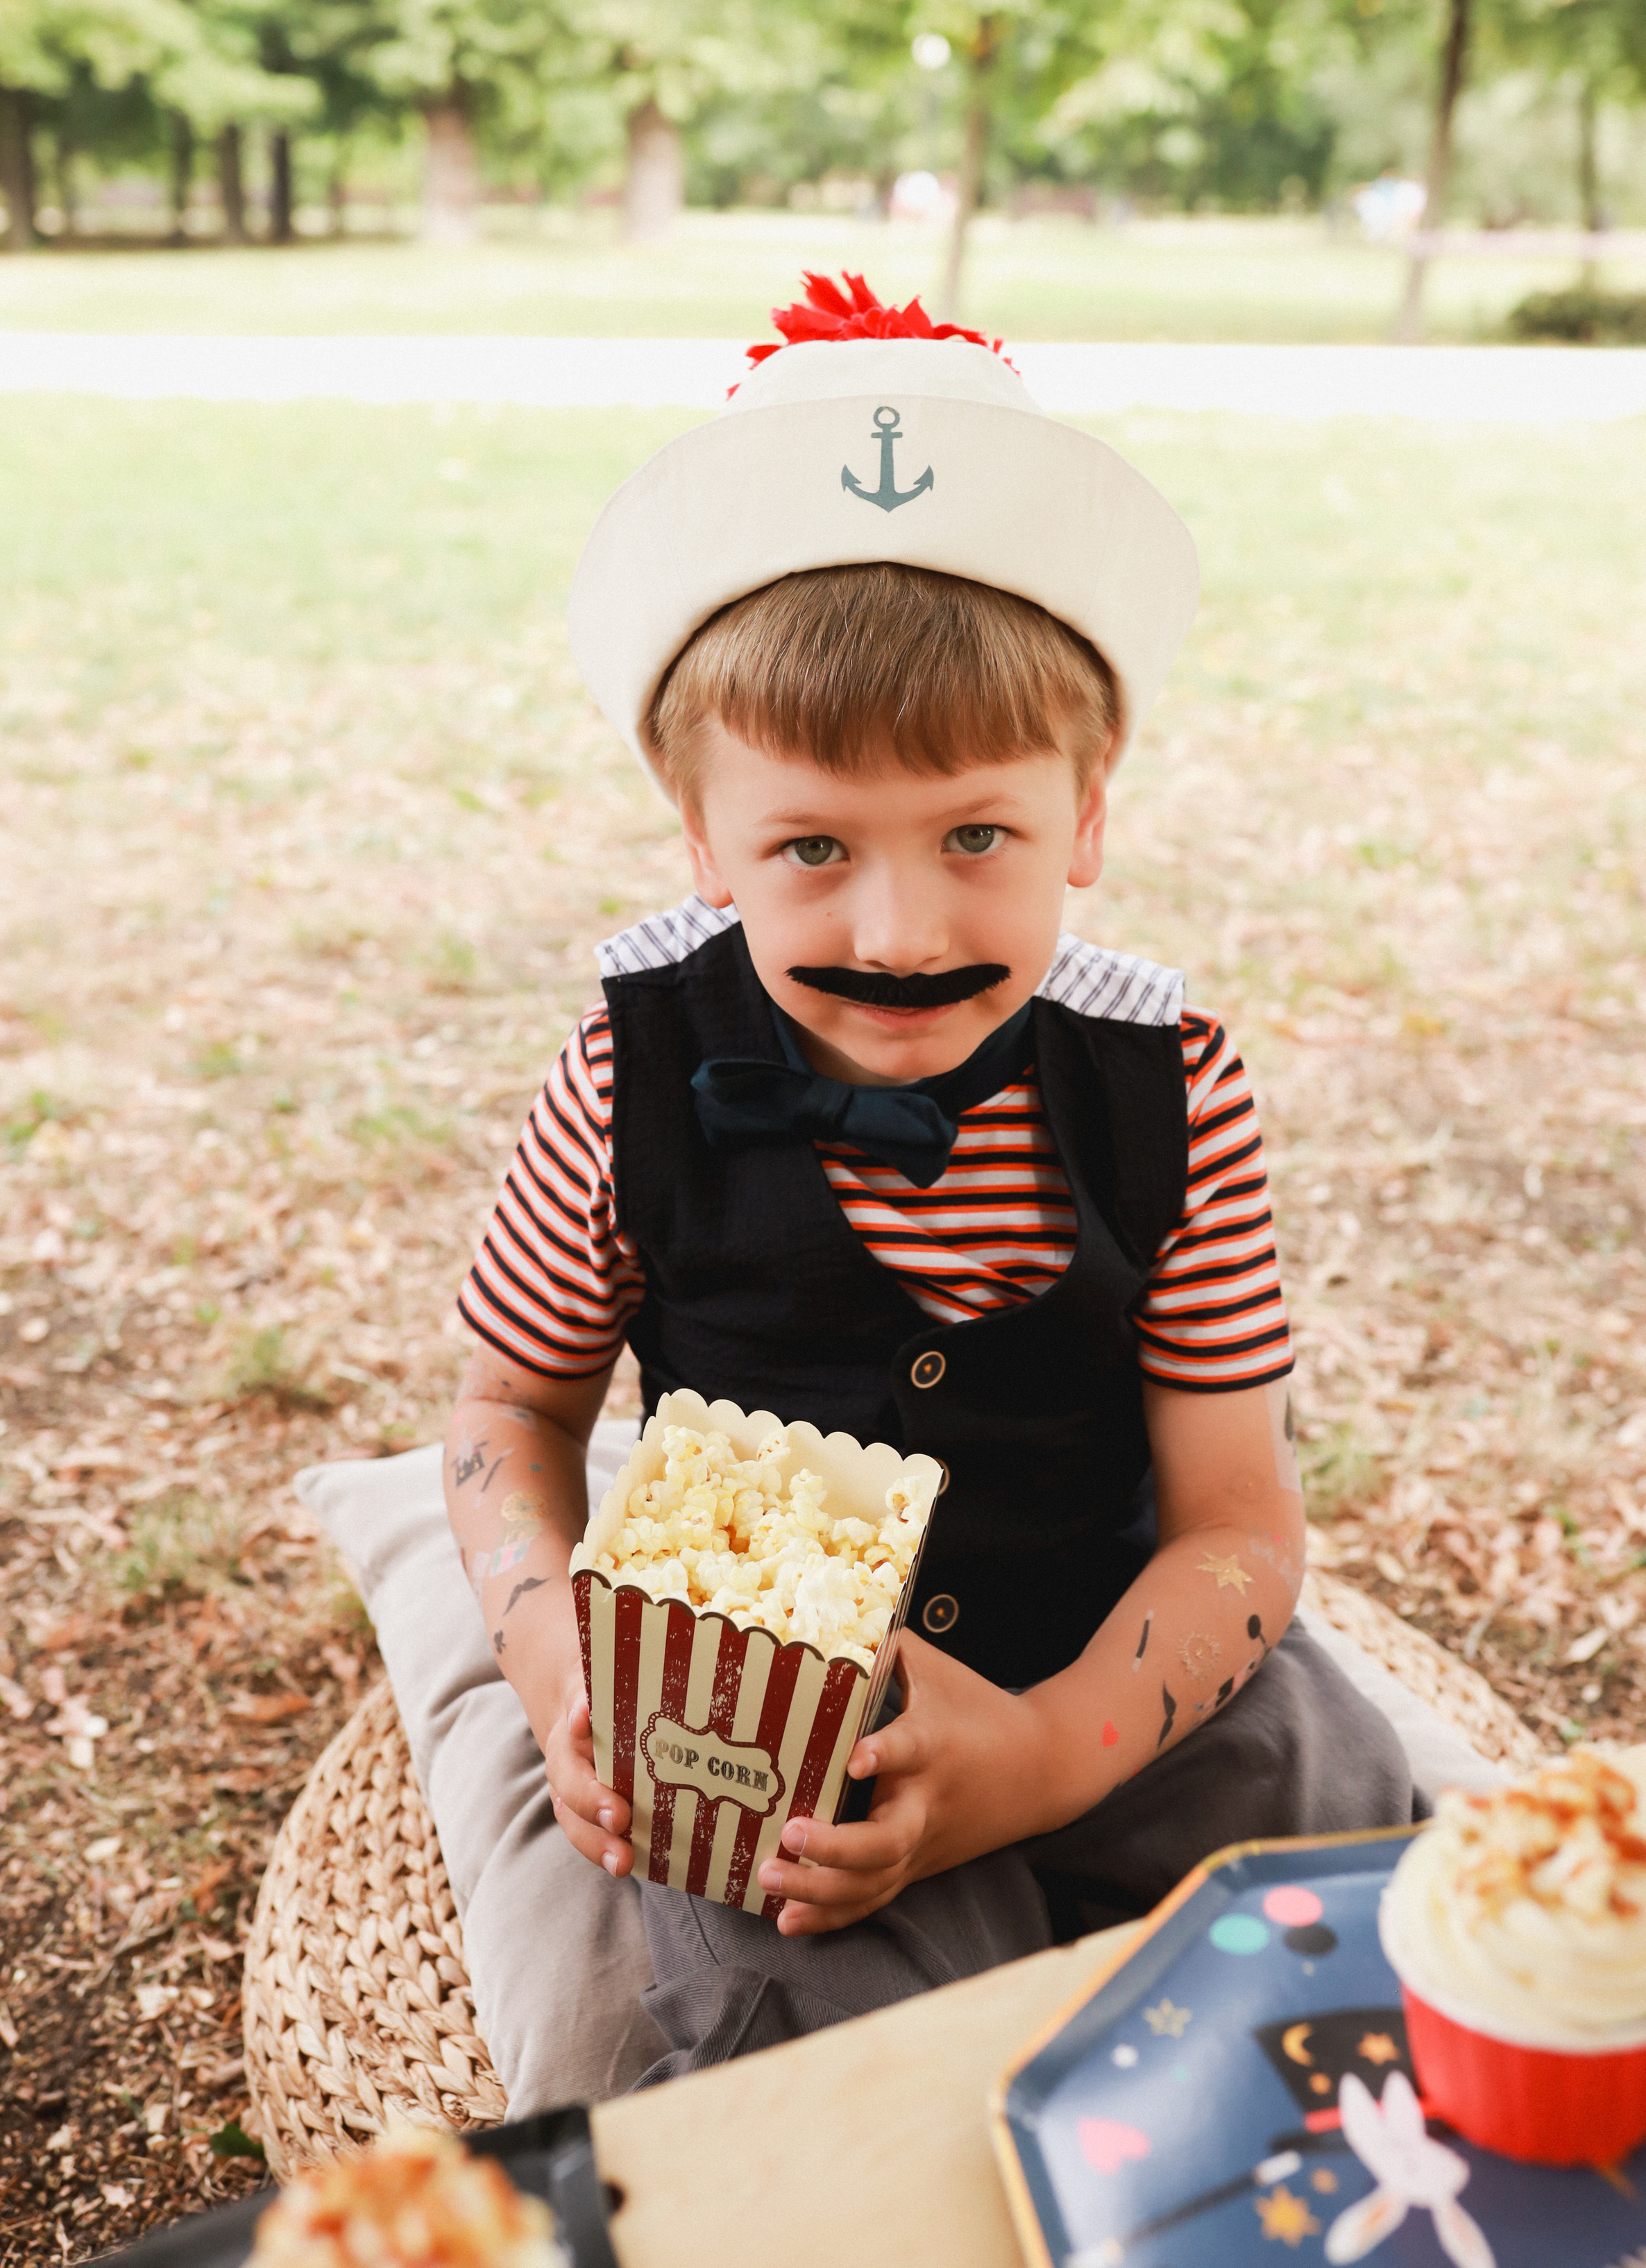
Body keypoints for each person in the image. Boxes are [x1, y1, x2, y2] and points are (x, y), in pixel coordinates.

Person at [444, 273, 1411, 2086]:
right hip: (766, 1686)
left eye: (981, 833)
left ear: (1091, 813)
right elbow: (509, 1414)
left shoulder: (1170, 1092)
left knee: (1340, 1806)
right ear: (702, 839)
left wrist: (1048, 1757)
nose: (900, 928)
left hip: (1097, 1644)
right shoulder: (627, 1082)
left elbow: (1239, 1521)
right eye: (810, 846)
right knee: (798, 1971)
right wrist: (560, 1654)